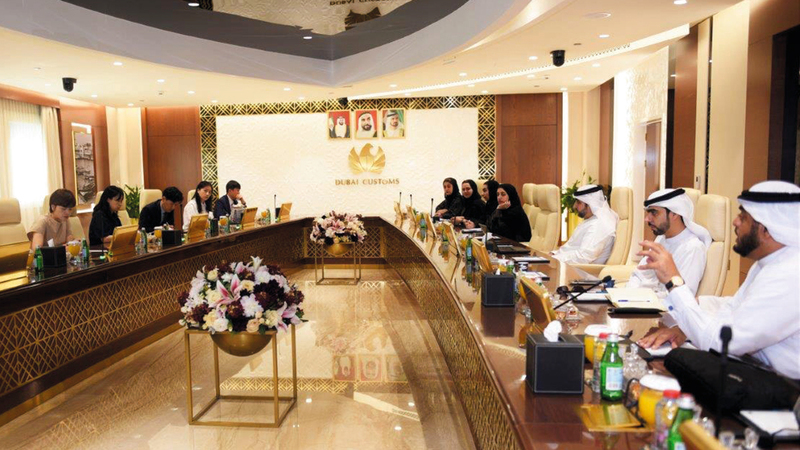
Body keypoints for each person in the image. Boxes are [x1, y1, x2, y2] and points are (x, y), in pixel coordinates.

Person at [637, 181, 800, 379]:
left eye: (743, 217)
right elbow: (734, 307)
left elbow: (720, 343)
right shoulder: (767, 263)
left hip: (781, 385)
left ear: (766, 228)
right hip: (751, 367)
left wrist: (674, 281)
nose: (735, 222)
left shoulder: (789, 275)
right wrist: (684, 326)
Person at [627, 188, 710, 298]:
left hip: (660, 307)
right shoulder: (661, 239)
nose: (647, 219)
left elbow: (682, 296)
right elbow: (639, 274)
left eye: (654, 213)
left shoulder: (693, 248)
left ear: (674, 214)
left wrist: (641, 298)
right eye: (648, 213)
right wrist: (628, 295)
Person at [552, 184, 617, 264]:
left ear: (590, 204)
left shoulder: (599, 225)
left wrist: (554, 259)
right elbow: (573, 247)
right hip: (568, 265)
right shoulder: (592, 220)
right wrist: (555, 254)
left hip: (580, 270)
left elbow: (583, 257)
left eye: (578, 202)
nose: (574, 206)